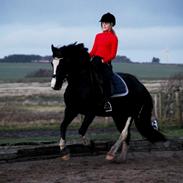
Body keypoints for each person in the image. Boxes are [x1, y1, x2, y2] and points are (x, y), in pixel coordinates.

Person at [89, 12, 118, 112]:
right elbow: (93, 51)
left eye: (106, 23)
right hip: (95, 61)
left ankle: (107, 102)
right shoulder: (98, 36)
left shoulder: (114, 38)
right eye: (102, 23)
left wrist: (103, 60)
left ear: (111, 25)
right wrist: (85, 57)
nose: (104, 25)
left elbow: (113, 54)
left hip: (105, 64)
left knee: (106, 79)